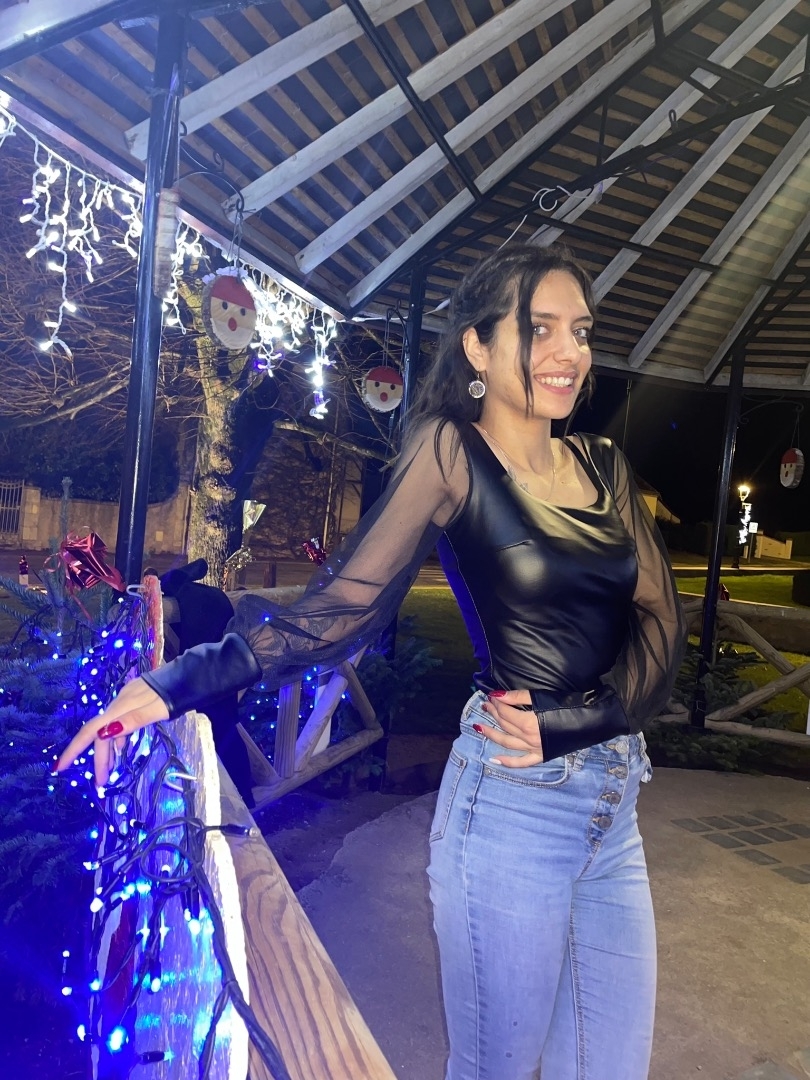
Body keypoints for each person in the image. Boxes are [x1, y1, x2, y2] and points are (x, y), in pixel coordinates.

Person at [57, 243, 686, 1079]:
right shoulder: (452, 453)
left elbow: (662, 621)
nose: (570, 351)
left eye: (581, 330)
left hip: (614, 798)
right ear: (477, 346)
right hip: (515, 807)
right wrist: (177, 682)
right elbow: (342, 607)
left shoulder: (603, 465)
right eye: (540, 329)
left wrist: (584, 721)